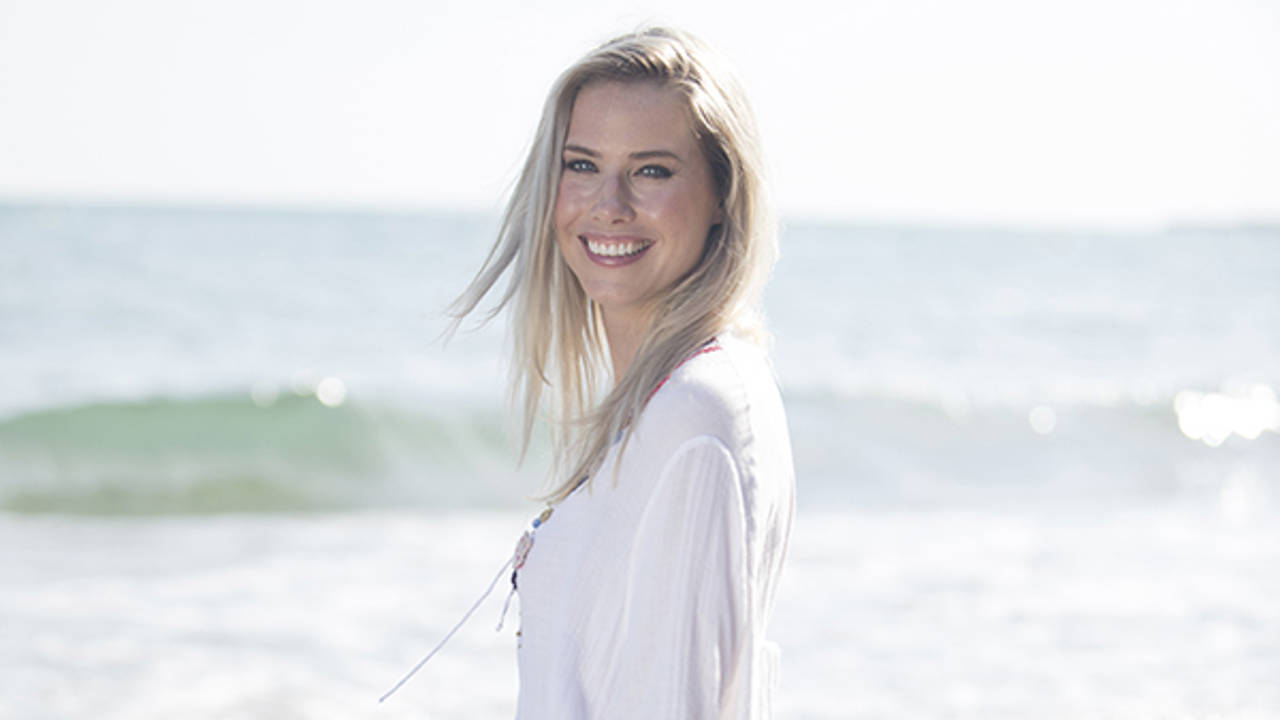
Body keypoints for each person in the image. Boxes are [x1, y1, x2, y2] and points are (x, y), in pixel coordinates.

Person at [451, 26, 795, 719]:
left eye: (652, 170)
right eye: (581, 165)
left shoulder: (698, 416)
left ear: (724, 195)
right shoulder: (668, 402)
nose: (608, 204)